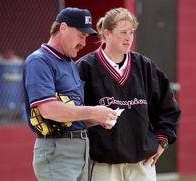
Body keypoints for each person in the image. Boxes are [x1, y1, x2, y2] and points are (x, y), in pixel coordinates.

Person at [77, 8, 181, 181]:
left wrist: (162, 140)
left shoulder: (145, 66)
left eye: (131, 32)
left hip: (142, 165)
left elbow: (168, 107)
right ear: (107, 33)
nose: (129, 38)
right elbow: (73, 113)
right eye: (123, 32)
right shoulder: (85, 68)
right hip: (103, 165)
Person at [23, 7, 117, 181]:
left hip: (81, 149)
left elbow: (71, 117)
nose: (83, 43)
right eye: (81, 35)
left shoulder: (70, 64)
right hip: (57, 150)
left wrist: (98, 119)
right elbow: (49, 110)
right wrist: (94, 111)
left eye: (86, 37)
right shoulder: (39, 60)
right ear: (63, 28)